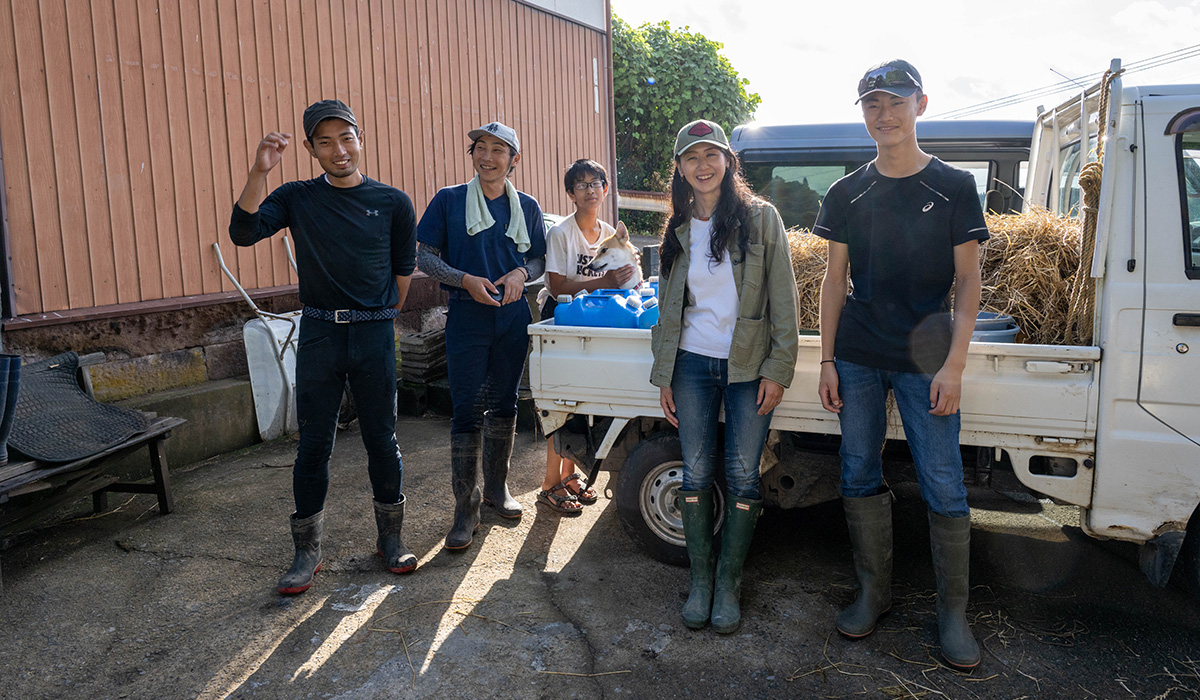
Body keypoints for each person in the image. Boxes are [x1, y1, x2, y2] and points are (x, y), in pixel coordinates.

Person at [814, 60, 986, 671]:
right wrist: (828, 359)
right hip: (858, 355)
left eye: (894, 102)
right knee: (857, 469)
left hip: (927, 359)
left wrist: (955, 365)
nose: (883, 114)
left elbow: (968, 281)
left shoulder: (954, 187)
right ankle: (873, 592)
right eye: (871, 104)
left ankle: (953, 614)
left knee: (942, 479)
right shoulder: (846, 191)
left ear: (921, 105)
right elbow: (834, 283)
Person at [229, 99, 419, 595]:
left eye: (347, 137)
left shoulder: (393, 202)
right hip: (319, 333)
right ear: (311, 149)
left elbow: (402, 273)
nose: (340, 149)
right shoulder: (296, 197)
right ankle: (306, 551)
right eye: (326, 141)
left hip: (374, 333)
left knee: (382, 438)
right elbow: (243, 232)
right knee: (315, 445)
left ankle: (391, 539)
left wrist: (378, 317)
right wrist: (258, 172)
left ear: (361, 138)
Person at [650, 119, 799, 634]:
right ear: (680, 169)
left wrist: (779, 369)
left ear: (728, 162)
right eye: (692, 158)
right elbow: (668, 309)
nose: (703, 165)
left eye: (711, 155)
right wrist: (664, 373)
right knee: (694, 471)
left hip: (748, 365)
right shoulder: (676, 228)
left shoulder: (761, 219)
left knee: (740, 472)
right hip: (690, 362)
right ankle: (701, 582)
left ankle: (730, 583)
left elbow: (784, 298)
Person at [416, 122, 547, 549]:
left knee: (506, 403)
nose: (487, 157)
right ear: (472, 155)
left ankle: (496, 490)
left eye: (498, 150)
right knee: (467, 409)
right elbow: (424, 257)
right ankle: (464, 508)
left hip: (512, 316)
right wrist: (463, 279)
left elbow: (539, 261)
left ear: (514, 160)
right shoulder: (450, 201)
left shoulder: (526, 206)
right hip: (467, 315)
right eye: (480, 148)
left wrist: (521, 273)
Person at [537, 159, 636, 515]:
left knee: (583, 403)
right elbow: (557, 284)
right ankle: (549, 484)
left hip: (596, 320)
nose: (590, 190)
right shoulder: (562, 234)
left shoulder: (610, 231)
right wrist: (604, 282)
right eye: (581, 185)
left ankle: (569, 477)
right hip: (563, 319)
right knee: (560, 402)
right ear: (570, 194)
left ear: (606, 189)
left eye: (596, 183)